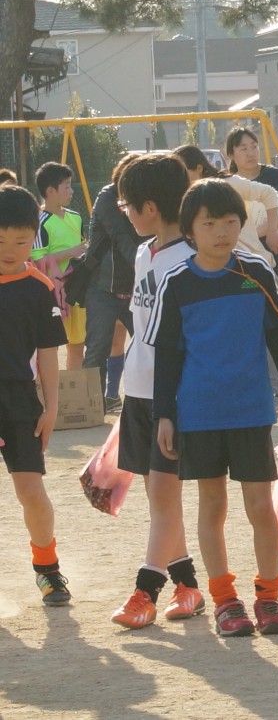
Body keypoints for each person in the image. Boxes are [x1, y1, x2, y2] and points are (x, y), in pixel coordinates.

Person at [148, 178, 278, 638]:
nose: (221, 231)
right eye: (209, 223)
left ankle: (269, 597)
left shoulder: (256, 271)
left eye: (230, 221)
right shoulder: (176, 283)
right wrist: (164, 414)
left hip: (252, 410)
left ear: (242, 224)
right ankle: (224, 600)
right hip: (199, 413)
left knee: (261, 507)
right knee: (212, 505)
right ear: (190, 230)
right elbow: (167, 355)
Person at [109, 153, 205, 629]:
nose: (124, 212)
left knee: (164, 494)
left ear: (150, 207)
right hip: (139, 392)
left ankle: (145, 592)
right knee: (158, 496)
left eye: (126, 204)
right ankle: (188, 584)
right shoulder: (144, 252)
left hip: (173, 396)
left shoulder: (190, 259)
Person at [0, 183, 72, 607]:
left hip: (19, 401)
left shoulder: (38, 286)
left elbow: (48, 352)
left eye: (21, 241)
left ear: (35, 238)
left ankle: (48, 570)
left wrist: (51, 408)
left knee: (31, 491)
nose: (10, 250)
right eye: (1, 241)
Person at [82, 153, 146, 413]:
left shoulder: (145, 197)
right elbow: (120, 236)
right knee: (97, 349)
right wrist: (147, 266)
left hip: (135, 287)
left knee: (148, 344)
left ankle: (147, 404)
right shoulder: (107, 197)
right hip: (102, 287)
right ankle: (91, 407)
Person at [224, 127, 278, 309]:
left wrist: (260, 232)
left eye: (254, 146)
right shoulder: (229, 184)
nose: (251, 153)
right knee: (267, 315)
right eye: (243, 148)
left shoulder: (272, 175)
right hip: (256, 264)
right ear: (231, 154)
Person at [175, 145, 278, 265]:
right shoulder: (189, 197)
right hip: (218, 265)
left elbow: (269, 193)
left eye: (184, 172)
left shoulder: (228, 184)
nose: (179, 179)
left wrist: (272, 231)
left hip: (250, 263)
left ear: (199, 168)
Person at [32, 161, 87, 370]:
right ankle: (49, 387)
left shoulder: (75, 216)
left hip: (77, 290)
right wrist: (71, 252)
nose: (71, 191)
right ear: (50, 191)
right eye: (67, 187)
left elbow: (82, 247)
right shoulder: (39, 221)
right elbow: (38, 262)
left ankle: (73, 388)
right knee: (50, 347)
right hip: (52, 293)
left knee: (77, 345)